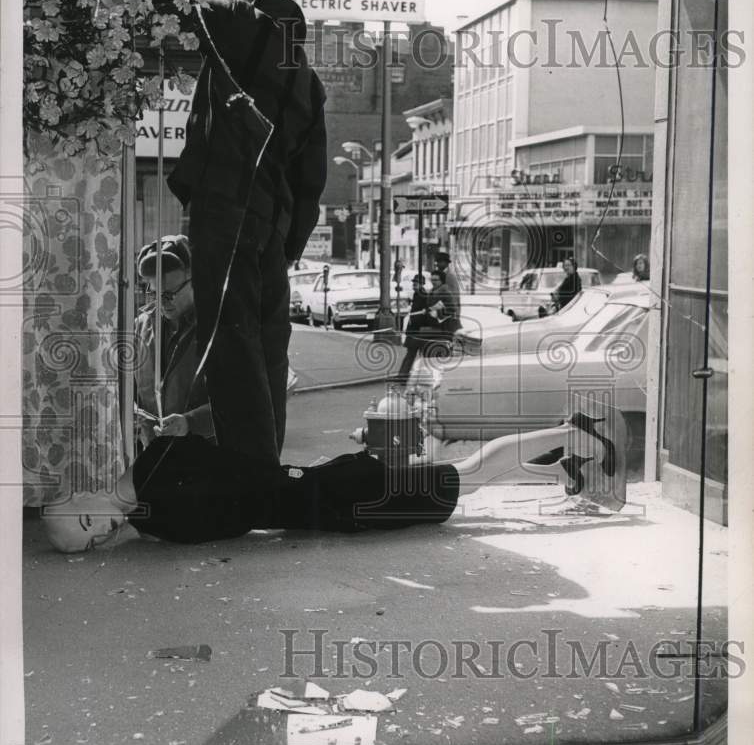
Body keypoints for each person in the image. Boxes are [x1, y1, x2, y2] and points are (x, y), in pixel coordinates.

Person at [140, 0, 327, 466]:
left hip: (226, 214)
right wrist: (283, 248)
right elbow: (310, 183)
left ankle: (242, 475)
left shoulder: (241, 21)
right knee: (268, 349)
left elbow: (174, 3)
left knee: (229, 346)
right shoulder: (307, 79)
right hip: (271, 230)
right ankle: (264, 466)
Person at [41, 404, 628, 552]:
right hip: (331, 500)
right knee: (461, 481)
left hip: (339, 495)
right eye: (92, 540)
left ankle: (570, 434)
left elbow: (242, 482)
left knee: (466, 477)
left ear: (80, 493)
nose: (102, 532)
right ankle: (563, 469)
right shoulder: (154, 506)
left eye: (87, 520)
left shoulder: (159, 471)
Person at [134, 235, 215, 450]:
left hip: (202, 458)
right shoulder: (141, 325)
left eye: (169, 294)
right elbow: (128, 386)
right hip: (152, 454)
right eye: (154, 293)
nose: (161, 302)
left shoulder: (218, 330)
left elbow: (242, 402)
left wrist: (190, 422)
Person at [396, 273, 428, 384]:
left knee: (412, 354)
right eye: (414, 282)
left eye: (417, 282)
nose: (414, 284)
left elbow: (419, 314)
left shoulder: (421, 294)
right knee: (413, 354)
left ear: (422, 284)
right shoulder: (418, 294)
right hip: (415, 328)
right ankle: (403, 376)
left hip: (417, 329)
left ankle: (403, 376)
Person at [433, 250, 462, 332]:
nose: (437, 264)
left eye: (440, 262)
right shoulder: (441, 274)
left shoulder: (449, 276)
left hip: (448, 314)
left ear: (446, 263)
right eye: (437, 262)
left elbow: (453, 297)